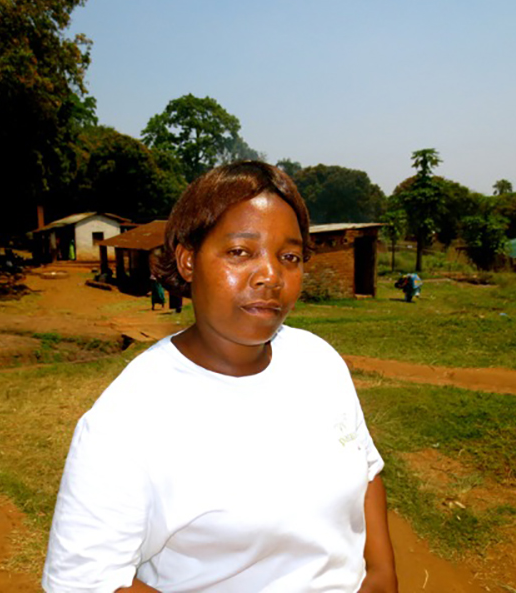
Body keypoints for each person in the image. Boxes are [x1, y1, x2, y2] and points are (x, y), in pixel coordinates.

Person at [42, 161, 398, 593]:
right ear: (188, 260)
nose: (270, 275)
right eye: (241, 252)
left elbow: (366, 470)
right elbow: (84, 582)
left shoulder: (318, 362)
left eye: (288, 257)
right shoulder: (127, 422)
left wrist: (381, 576)